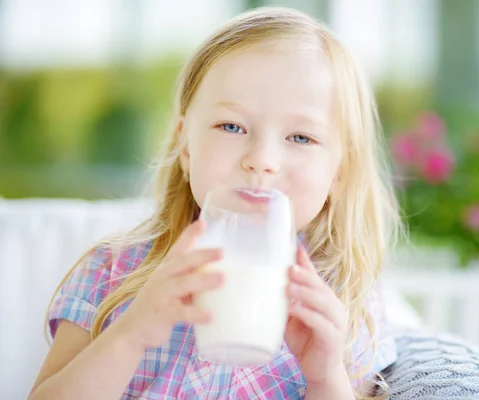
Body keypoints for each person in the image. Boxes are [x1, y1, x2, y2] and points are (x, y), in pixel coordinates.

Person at [29, 6, 401, 400]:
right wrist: (129, 335)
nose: (261, 159)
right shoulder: (112, 271)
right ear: (185, 147)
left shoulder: (345, 297)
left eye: (301, 138)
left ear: (339, 174)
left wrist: (326, 378)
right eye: (231, 126)